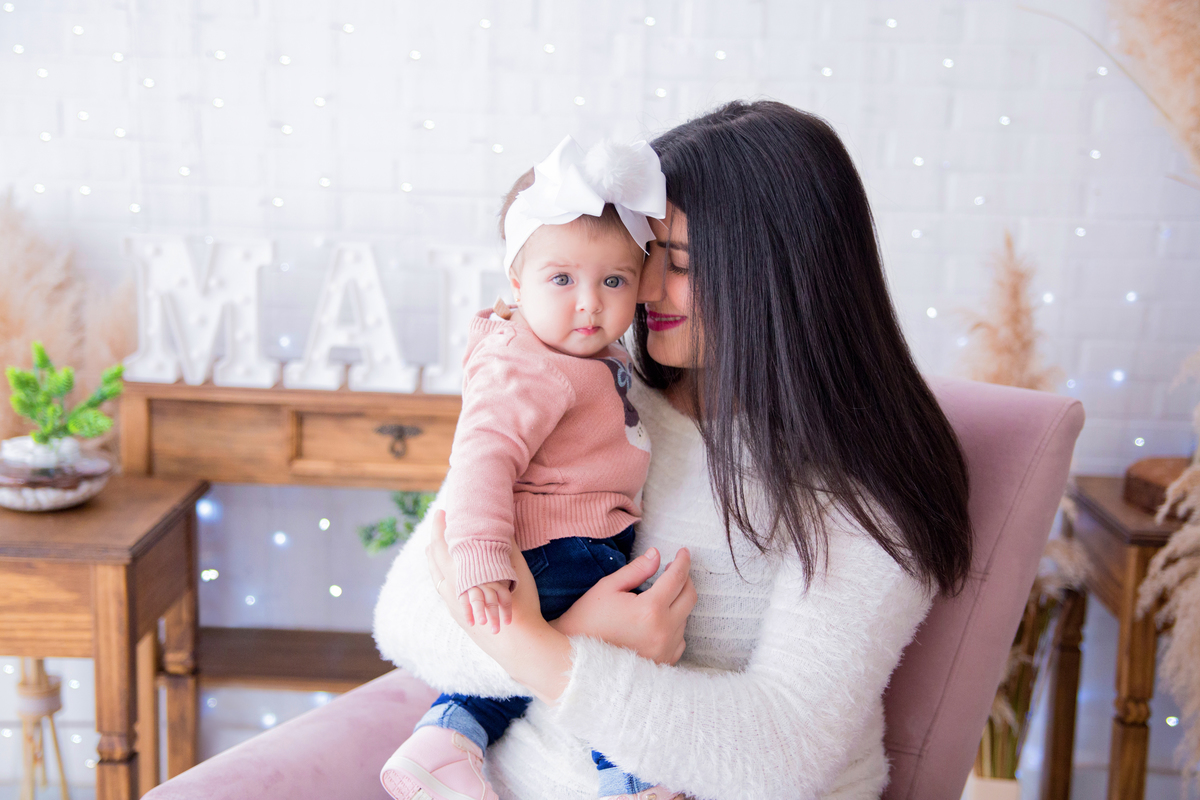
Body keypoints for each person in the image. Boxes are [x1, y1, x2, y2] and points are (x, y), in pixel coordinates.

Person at [374, 100, 974, 800]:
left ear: (775, 277)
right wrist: (581, 632)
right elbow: (409, 616)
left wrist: (541, 651)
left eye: (678, 264)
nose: (642, 289)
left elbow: (784, 750)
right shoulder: (591, 391)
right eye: (642, 257)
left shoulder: (863, 485)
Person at [379, 135, 679, 800]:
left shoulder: (576, 355)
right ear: (516, 280)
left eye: (613, 282)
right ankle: (628, 781)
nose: (589, 304)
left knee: (559, 663)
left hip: (571, 544)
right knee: (611, 656)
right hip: (557, 549)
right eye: (561, 280)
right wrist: (482, 552)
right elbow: (481, 457)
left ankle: (444, 740)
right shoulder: (528, 366)